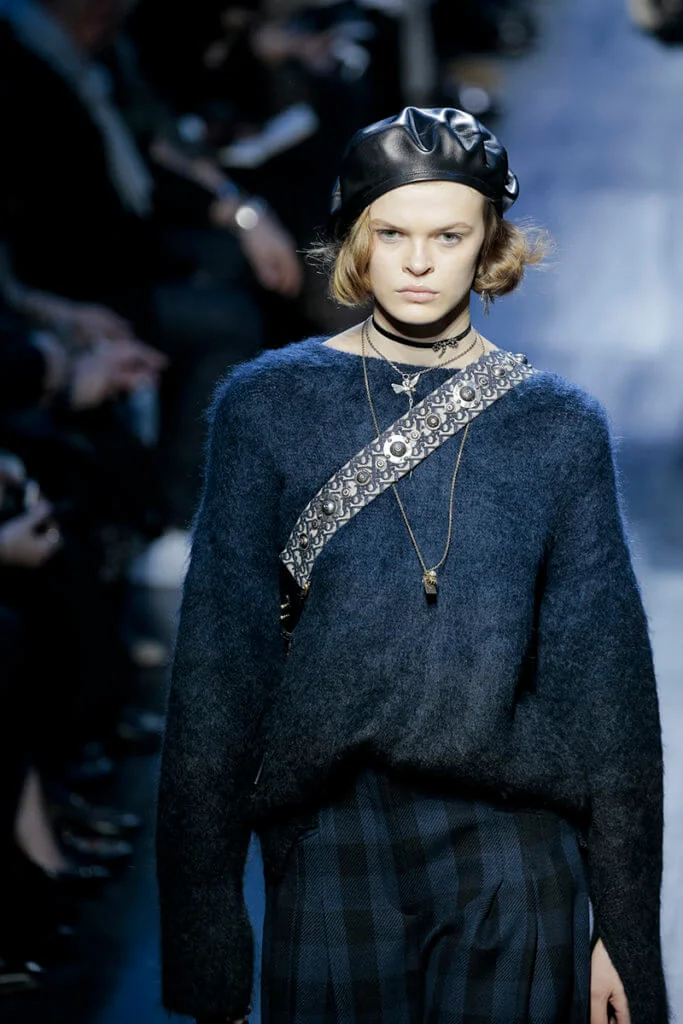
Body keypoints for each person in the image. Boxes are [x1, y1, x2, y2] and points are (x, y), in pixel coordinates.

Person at [155, 108, 668, 1024]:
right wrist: (208, 943)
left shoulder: (555, 426)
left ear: (490, 246)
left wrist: (622, 936)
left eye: (448, 236)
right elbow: (219, 672)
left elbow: (606, 691)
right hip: (329, 841)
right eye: (392, 233)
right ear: (357, 239)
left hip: (514, 846)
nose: (419, 262)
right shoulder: (266, 407)